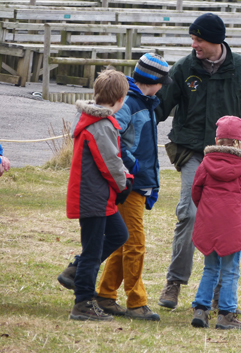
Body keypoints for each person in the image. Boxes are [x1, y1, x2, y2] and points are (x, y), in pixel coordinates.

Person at [156, 13, 241, 310]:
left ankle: (218, 289)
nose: (193, 44)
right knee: (190, 212)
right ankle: (175, 281)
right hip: (192, 151)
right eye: (192, 39)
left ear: (215, 41)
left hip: (231, 157)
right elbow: (159, 109)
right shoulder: (184, 67)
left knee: (229, 219)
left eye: (198, 39)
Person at [94, 53, 172, 321]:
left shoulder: (146, 103)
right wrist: (131, 166)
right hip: (129, 185)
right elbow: (110, 132)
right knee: (135, 244)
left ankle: (105, 295)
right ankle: (137, 302)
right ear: (156, 81)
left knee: (123, 241)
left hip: (139, 185)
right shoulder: (130, 104)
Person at [62, 69, 134, 321]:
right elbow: (110, 163)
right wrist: (124, 183)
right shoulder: (100, 125)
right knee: (92, 250)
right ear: (120, 100)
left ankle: (75, 269)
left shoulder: (99, 122)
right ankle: (83, 302)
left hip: (98, 195)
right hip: (92, 196)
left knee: (118, 234)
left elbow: (113, 158)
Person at [190, 115, 241, 330]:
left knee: (210, 268)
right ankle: (226, 314)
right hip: (232, 226)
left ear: (217, 139)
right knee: (230, 271)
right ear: (240, 142)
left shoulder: (205, 164)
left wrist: (205, 213)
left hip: (208, 224)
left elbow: (195, 192)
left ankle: (201, 310)